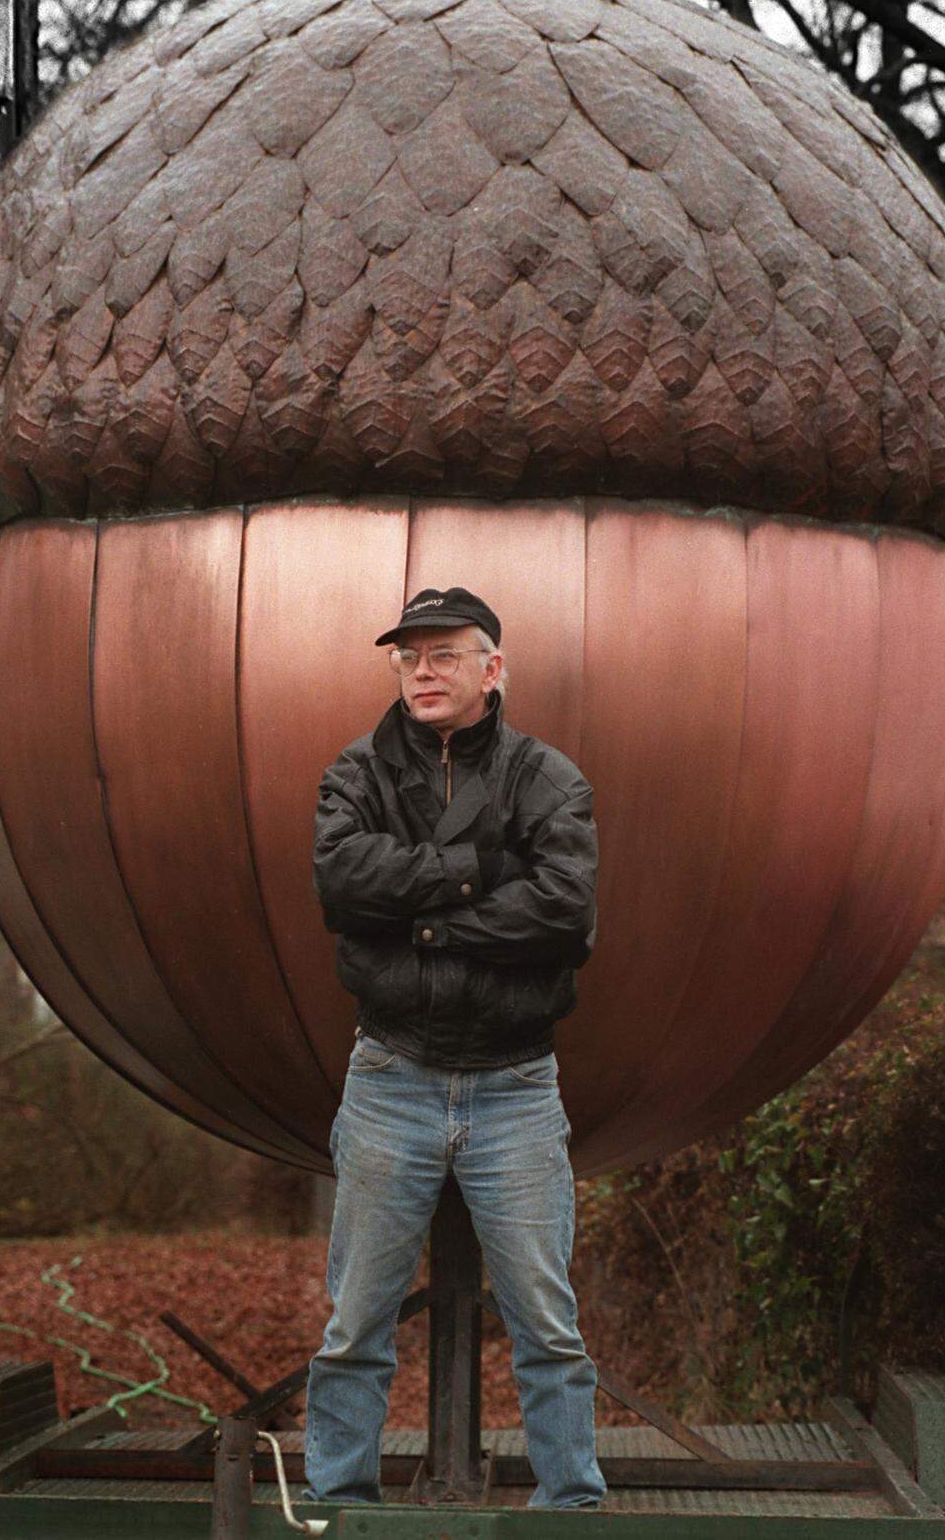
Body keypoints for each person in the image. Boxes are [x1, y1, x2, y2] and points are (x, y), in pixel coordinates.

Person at [304, 586, 605, 1510]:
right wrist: (476, 870)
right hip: (391, 1077)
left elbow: (564, 912)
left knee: (547, 1324)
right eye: (409, 656)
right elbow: (342, 882)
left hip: (514, 1085)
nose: (423, 671)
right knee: (356, 1322)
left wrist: (424, 923)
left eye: (444, 654)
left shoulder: (548, 779)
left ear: (492, 668)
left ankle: (571, 1507)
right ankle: (340, 1507)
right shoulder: (356, 772)